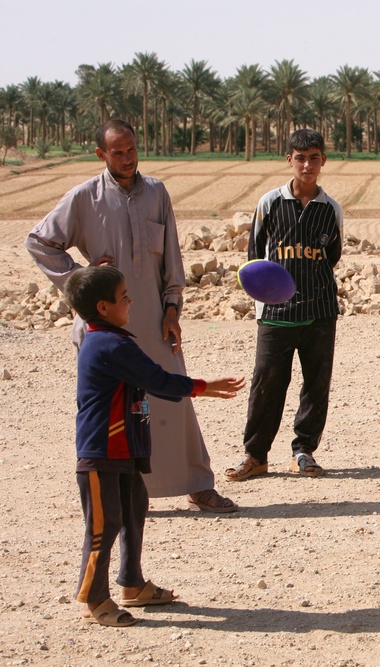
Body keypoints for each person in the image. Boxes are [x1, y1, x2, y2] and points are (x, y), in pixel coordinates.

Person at [25, 119, 238, 513]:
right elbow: (38, 241)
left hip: (155, 320)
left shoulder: (156, 192)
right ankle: (115, 495)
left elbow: (170, 258)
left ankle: (197, 484)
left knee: (173, 399)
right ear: (101, 155)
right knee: (112, 410)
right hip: (102, 325)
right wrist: (79, 276)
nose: (127, 158)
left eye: (132, 149)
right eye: (117, 152)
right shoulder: (84, 197)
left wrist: (172, 308)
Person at [65, 265, 245, 626]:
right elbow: (157, 380)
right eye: (123, 297)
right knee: (104, 524)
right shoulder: (108, 344)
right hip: (102, 452)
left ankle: (132, 584)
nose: (130, 301)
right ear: (103, 308)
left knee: (133, 509)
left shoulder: (114, 339)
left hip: (125, 448)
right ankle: (94, 598)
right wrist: (202, 386)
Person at [224, 128, 343, 481]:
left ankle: (303, 451)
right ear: (289, 160)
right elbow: (255, 257)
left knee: (316, 384)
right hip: (275, 313)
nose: (308, 164)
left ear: (323, 161)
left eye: (314, 158)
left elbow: (331, 257)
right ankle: (255, 456)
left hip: (320, 311)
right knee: (267, 384)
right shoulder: (270, 203)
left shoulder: (330, 208)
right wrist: (271, 293)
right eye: (300, 158)